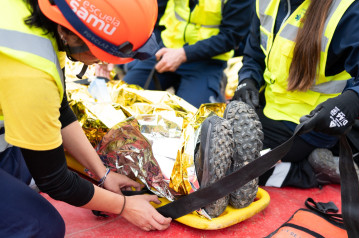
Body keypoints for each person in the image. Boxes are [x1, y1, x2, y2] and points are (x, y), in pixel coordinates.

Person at [0, 0, 172, 236]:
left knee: (29, 171)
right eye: (101, 56)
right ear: (70, 35)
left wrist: (103, 174)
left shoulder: (49, 20)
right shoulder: (31, 73)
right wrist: (125, 207)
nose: (103, 64)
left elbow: (60, 112)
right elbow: (56, 182)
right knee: (39, 227)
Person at [232, 0, 359, 188]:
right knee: (210, 141)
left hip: (308, 124)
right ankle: (311, 161)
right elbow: (254, 54)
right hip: (267, 109)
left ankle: (307, 173)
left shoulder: (352, 8)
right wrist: (247, 81)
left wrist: (349, 104)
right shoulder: (265, 3)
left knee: (230, 168)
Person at [123, 0, 254, 108]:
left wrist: (184, 54)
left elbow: (231, 37)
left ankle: (216, 84)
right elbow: (153, 13)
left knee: (192, 121)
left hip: (206, 62)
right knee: (123, 99)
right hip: (166, 51)